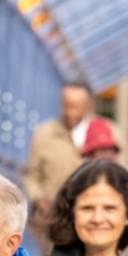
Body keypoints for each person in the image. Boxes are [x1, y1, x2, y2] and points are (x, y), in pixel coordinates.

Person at [24, 81, 101, 227]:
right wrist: (39, 198)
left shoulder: (107, 133)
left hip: (92, 219)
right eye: (66, 106)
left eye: (76, 107)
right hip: (53, 220)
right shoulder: (43, 133)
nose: (70, 112)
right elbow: (31, 175)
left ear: (88, 105)